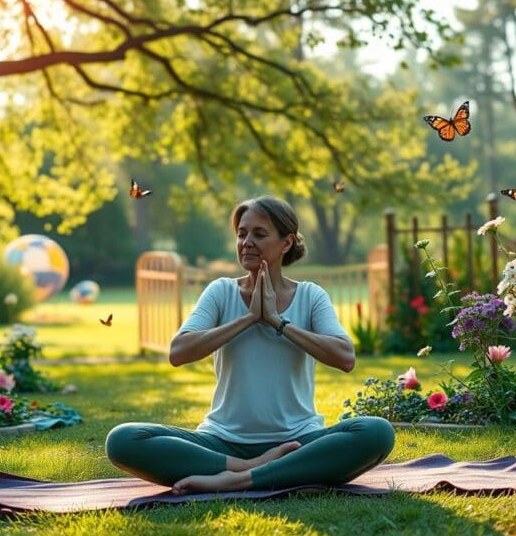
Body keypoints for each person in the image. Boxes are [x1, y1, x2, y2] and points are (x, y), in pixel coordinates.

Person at [105, 196, 395, 494]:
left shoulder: (311, 296)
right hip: (222, 441)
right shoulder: (220, 292)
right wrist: (249, 319)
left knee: (376, 432)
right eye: (242, 234)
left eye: (259, 234)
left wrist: (277, 321)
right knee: (123, 440)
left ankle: (238, 480)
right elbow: (178, 352)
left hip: (297, 441)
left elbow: (345, 358)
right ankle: (250, 468)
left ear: (286, 243)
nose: (246, 242)